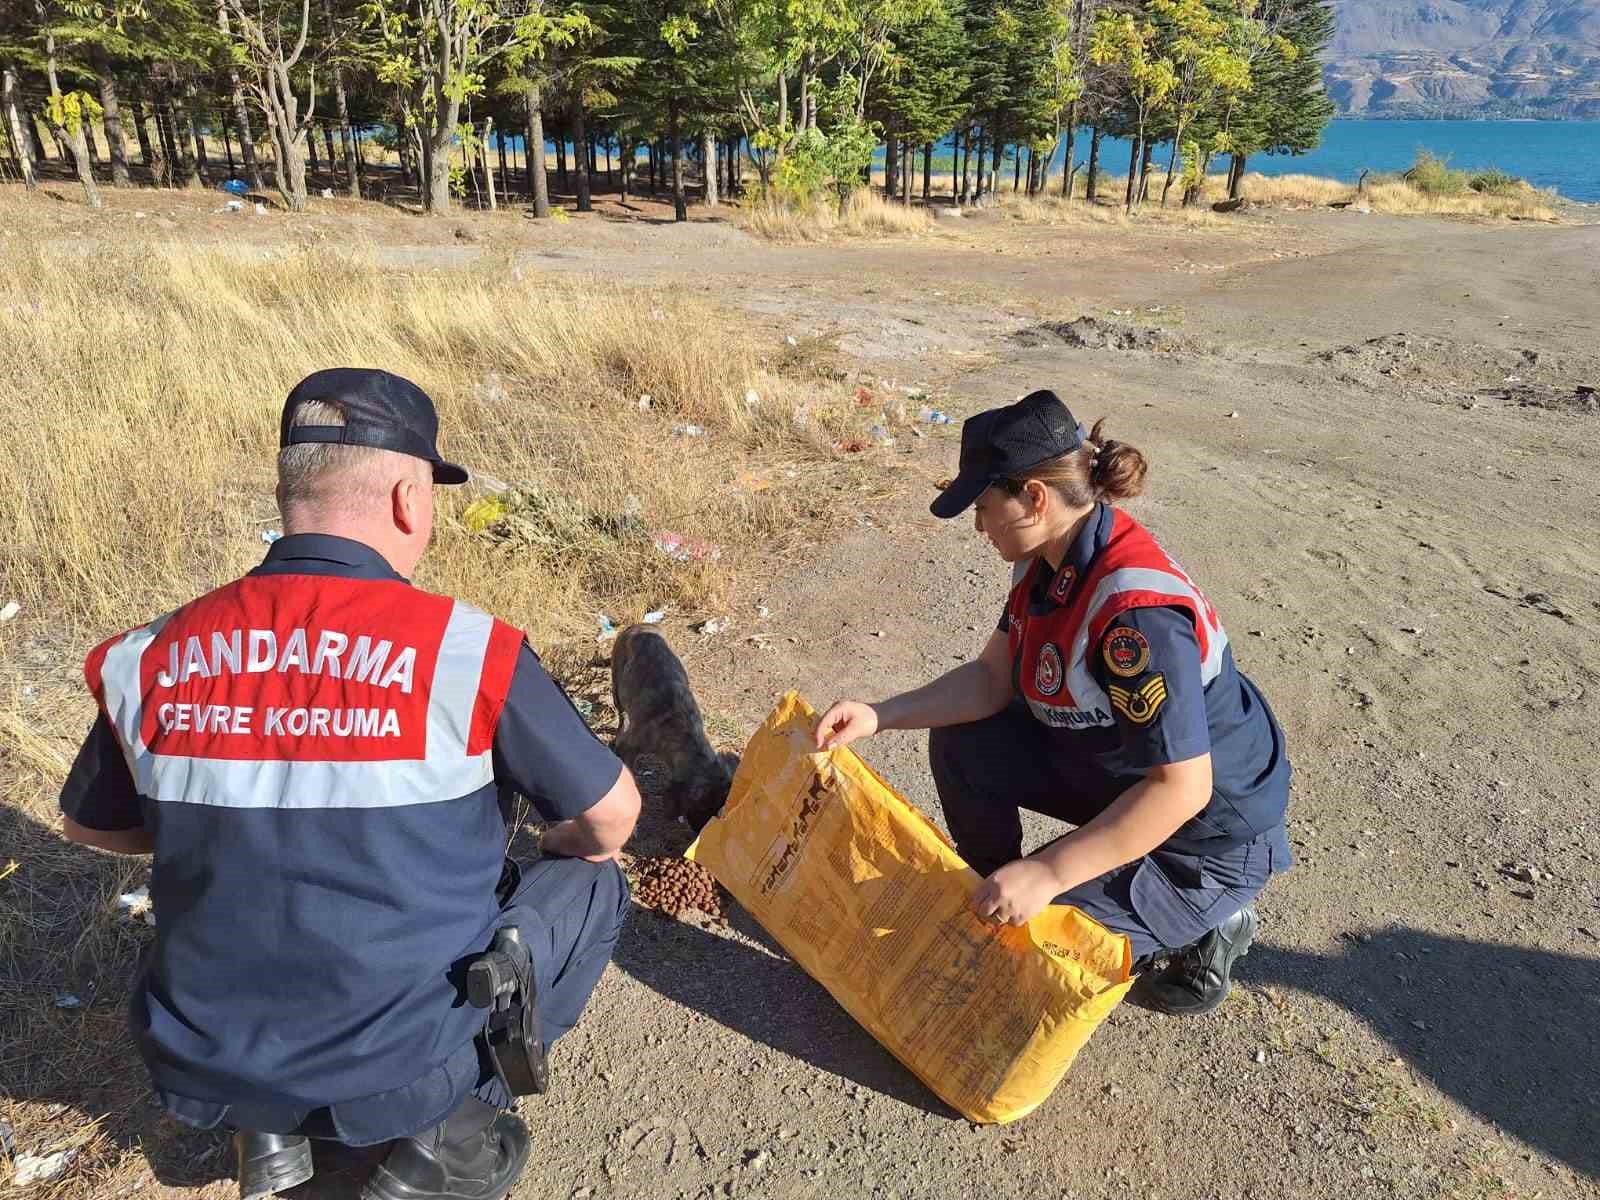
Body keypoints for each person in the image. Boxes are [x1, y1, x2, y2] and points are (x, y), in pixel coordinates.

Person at [58, 368, 642, 1200]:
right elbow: (613, 818)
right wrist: (544, 851)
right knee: (593, 883)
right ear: (409, 498)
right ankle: (449, 1131)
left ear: (287, 491)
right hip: (397, 1069)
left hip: (207, 1061)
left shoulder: (147, 655)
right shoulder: (464, 651)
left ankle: (267, 1135)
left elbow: (96, 829)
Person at [815, 389, 1292, 1016]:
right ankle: (998, 887)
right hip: (1122, 770)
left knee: (1024, 956)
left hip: (1205, 838)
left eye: (984, 507)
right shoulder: (1047, 554)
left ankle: (1213, 920)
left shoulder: (1135, 617)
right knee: (966, 738)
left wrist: (1049, 875)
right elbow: (992, 680)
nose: (979, 526)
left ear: (1035, 498)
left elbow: (1181, 789)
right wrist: (883, 714)